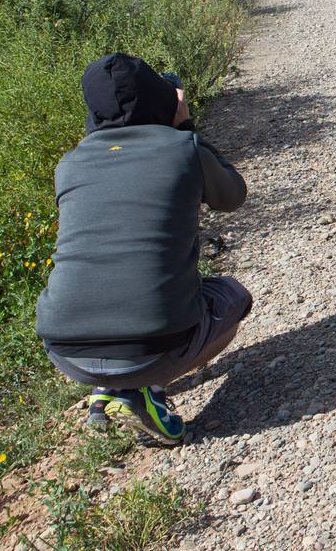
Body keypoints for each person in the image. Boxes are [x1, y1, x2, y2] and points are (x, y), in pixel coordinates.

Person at [36, 53, 251, 445]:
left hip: (64, 347)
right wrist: (187, 128)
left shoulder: (69, 164)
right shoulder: (182, 148)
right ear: (163, 99)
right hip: (155, 343)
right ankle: (141, 389)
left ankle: (105, 388)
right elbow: (233, 195)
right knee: (234, 297)